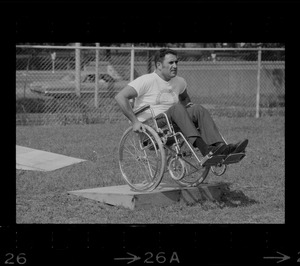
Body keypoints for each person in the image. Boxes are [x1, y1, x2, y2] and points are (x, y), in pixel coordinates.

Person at [115, 48, 248, 157]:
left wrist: (188, 109)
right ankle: (205, 149)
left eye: (176, 62)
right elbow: (120, 97)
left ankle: (220, 147)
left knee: (198, 109)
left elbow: (185, 98)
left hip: (173, 123)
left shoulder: (179, 81)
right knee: (177, 108)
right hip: (154, 125)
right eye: (171, 63)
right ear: (159, 65)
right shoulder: (146, 80)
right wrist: (134, 121)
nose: (175, 66)